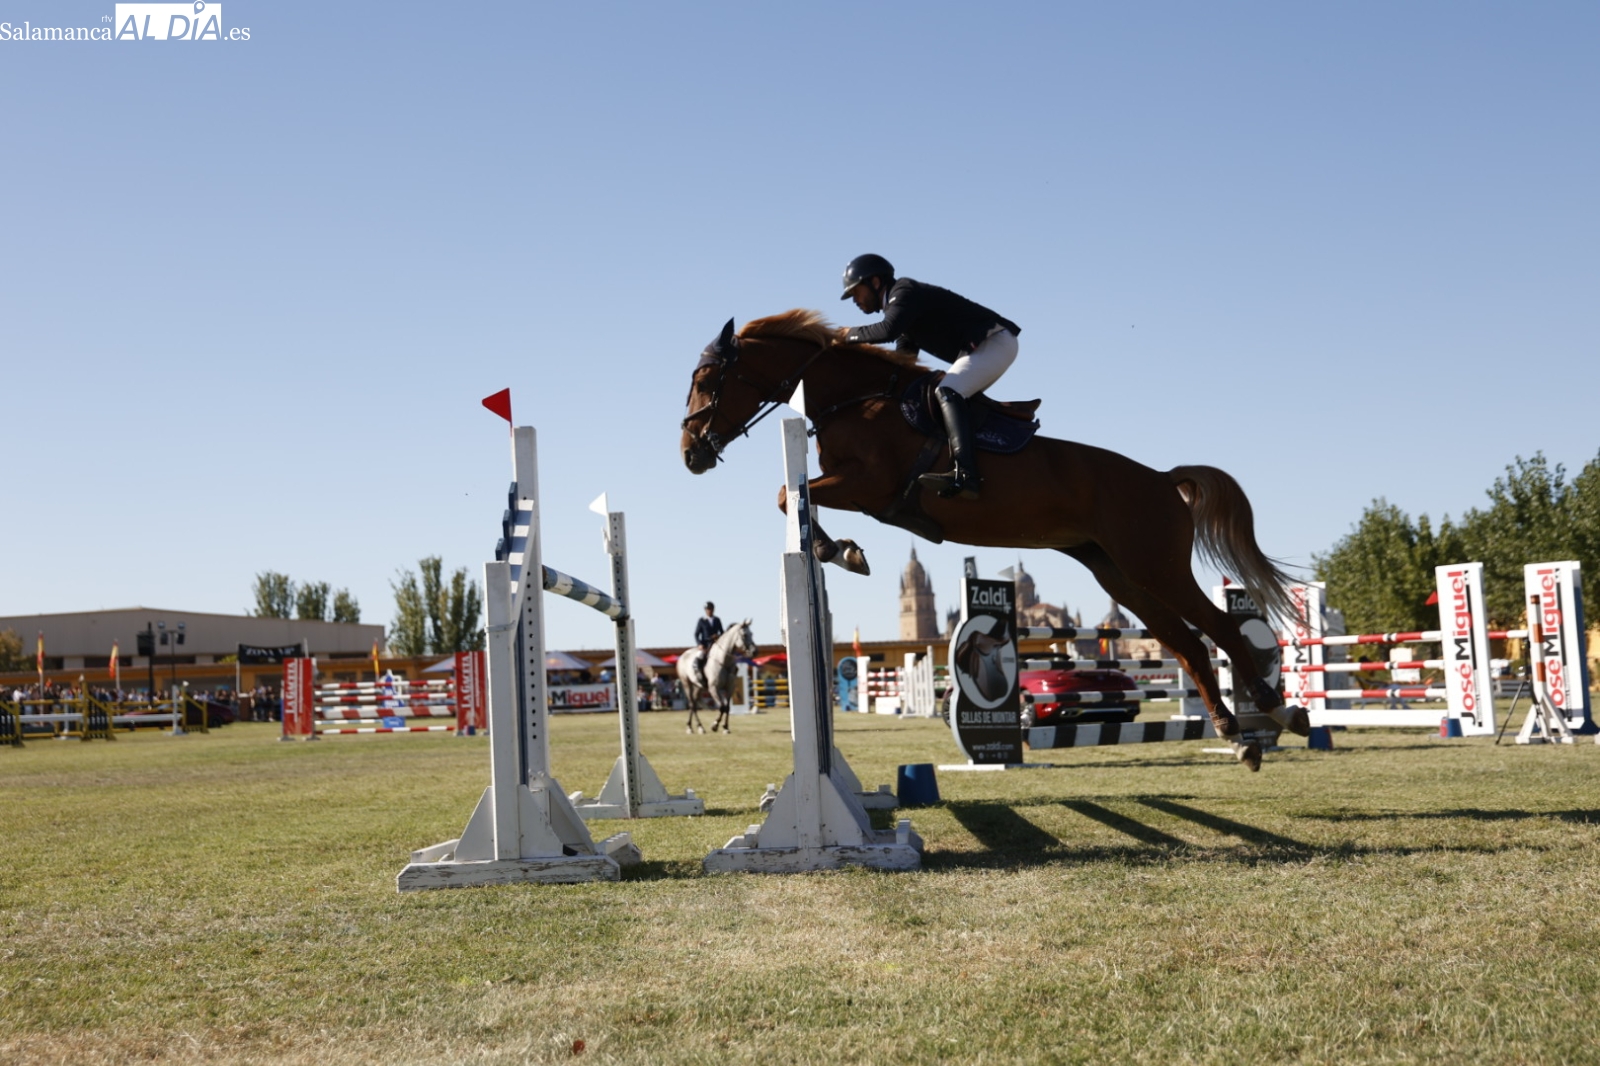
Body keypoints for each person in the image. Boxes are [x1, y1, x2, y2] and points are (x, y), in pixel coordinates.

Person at [838, 254, 1020, 499]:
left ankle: (967, 474)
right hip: (988, 345)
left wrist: (847, 334)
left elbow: (887, 331)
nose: (855, 301)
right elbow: (904, 365)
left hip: (995, 340)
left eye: (856, 292)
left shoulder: (904, 291)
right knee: (931, 394)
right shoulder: (904, 315)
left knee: (948, 391)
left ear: (876, 282)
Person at [693, 602, 724, 679]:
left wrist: (718, 636)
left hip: (716, 643)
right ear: (705, 610)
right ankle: (698, 671)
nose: (710, 611)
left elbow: (722, 632)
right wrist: (699, 644)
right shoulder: (701, 621)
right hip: (705, 644)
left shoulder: (717, 620)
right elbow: (696, 634)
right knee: (700, 655)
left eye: (711, 609)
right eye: (708, 609)